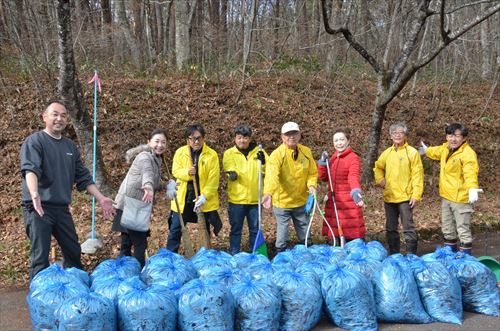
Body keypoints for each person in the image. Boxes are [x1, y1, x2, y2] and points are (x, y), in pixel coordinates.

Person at [20, 100, 114, 279]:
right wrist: (34, 193)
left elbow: (83, 177)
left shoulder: (70, 146)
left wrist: (101, 199)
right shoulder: (34, 141)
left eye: (63, 115)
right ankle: (41, 299)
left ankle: (76, 292)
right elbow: (30, 170)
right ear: (44, 117)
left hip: (61, 209)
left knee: (73, 250)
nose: (59, 119)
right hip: (38, 207)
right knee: (40, 257)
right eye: (54, 114)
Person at [112, 129, 175, 267]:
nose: (160, 145)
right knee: (140, 244)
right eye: (157, 141)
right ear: (149, 142)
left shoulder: (157, 159)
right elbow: (147, 175)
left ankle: (124, 273)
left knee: (126, 242)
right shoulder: (145, 156)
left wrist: (166, 185)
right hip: (131, 206)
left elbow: (154, 181)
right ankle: (138, 275)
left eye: (163, 142)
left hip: (134, 205)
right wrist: (148, 186)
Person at [419, 123, 481, 254]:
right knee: (447, 229)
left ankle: (465, 261)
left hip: (460, 198)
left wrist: (472, 188)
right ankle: (450, 256)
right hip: (446, 196)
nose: (453, 139)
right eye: (450, 135)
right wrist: (427, 150)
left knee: (462, 230)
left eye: (457, 136)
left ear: (463, 138)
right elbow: (436, 152)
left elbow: (470, 171)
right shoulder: (446, 148)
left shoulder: (467, 153)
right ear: (447, 137)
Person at [263, 121, 318, 252]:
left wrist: (312, 185)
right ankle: (279, 255)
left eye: (294, 133)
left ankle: (307, 251)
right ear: (282, 137)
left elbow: (312, 172)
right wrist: (268, 193)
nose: (291, 137)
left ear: (299, 135)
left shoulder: (306, 152)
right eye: (288, 134)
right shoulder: (277, 155)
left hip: (301, 200)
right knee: (282, 232)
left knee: (304, 229)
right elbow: (272, 175)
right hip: (282, 202)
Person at [166, 124, 222, 252]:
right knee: (176, 228)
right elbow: (175, 171)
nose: (195, 142)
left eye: (198, 138)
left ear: (203, 138)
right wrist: (188, 173)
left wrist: (205, 196)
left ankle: (204, 254)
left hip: (201, 199)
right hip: (184, 198)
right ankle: (170, 255)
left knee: (204, 227)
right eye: (192, 138)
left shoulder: (211, 155)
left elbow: (213, 180)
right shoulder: (181, 152)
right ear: (187, 139)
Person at [373, 122, 423, 255]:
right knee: (390, 228)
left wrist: (416, 195)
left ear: (405, 135)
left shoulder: (412, 152)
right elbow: (378, 167)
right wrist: (380, 180)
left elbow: (418, 175)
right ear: (390, 136)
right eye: (394, 133)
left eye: (400, 132)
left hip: (406, 197)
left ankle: (411, 255)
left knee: (408, 228)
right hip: (390, 197)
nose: (397, 135)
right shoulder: (387, 153)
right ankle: (394, 255)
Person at [223, 125, 268, 255]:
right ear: (235, 139)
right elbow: (228, 168)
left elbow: (268, 168)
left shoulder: (259, 152)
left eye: (245, 138)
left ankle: (255, 254)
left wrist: (263, 161)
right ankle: (234, 253)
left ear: (249, 138)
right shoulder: (229, 153)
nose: (242, 140)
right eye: (239, 138)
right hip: (237, 199)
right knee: (236, 228)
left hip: (255, 199)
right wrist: (231, 174)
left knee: (255, 228)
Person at [317, 128, 366, 243]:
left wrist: (355, 191)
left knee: (351, 236)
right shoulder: (333, 158)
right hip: (334, 203)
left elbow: (353, 176)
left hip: (348, 203)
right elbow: (324, 177)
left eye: (342, 140)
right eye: (336, 140)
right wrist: (323, 164)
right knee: (337, 237)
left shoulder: (353, 158)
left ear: (348, 141)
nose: (339, 143)